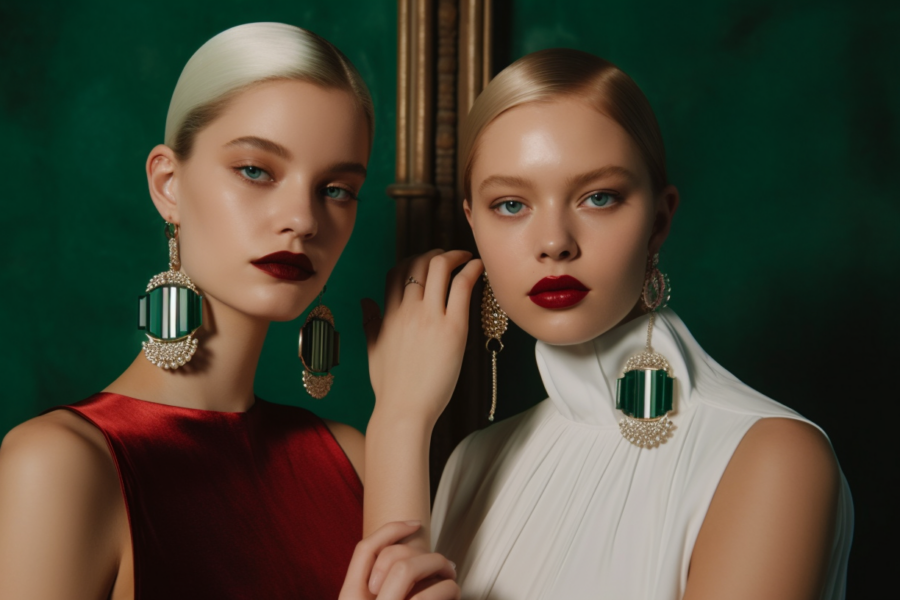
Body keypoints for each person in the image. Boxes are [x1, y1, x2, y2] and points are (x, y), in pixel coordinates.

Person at [361, 48, 853, 599]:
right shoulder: (472, 463)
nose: (554, 242)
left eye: (598, 197)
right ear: (473, 224)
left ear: (659, 220)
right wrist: (398, 422)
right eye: (510, 205)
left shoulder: (771, 458)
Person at [0, 22, 460, 600]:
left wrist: (404, 414)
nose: (303, 218)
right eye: (256, 171)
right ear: (169, 184)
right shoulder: (61, 464)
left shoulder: (355, 456)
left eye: (336, 189)